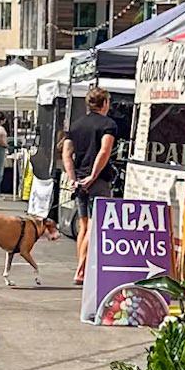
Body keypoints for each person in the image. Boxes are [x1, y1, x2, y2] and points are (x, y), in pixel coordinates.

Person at [61, 85, 120, 285]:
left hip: (79, 181)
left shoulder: (75, 126)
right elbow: (104, 151)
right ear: (104, 103)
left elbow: (66, 153)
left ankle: (82, 268)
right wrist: (94, 176)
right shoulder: (108, 125)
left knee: (83, 225)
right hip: (98, 181)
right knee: (95, 226)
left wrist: (72, 177)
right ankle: (80, 270)